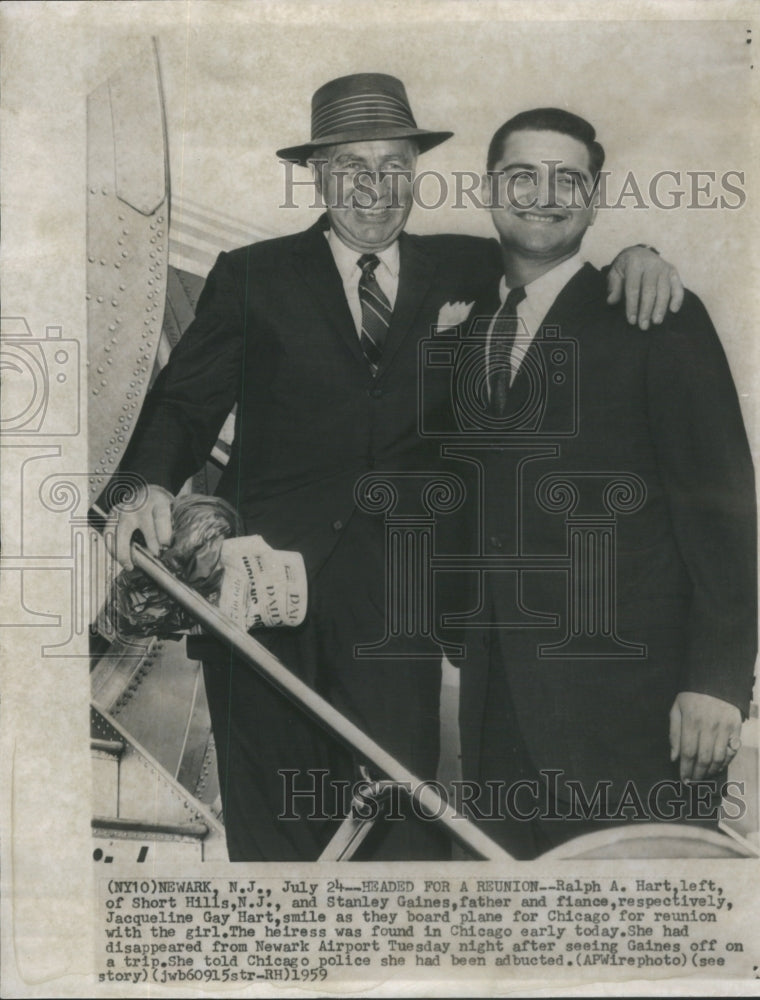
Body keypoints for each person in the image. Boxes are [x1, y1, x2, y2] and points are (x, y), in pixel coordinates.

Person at [102, 74, 684, 861]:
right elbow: (181, 409)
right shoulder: (252, 277)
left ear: (416, 170)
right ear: (316, 174)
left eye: (394, 167)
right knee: (275, 851)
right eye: (352, 168)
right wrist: (142, 489)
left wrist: (639, 259)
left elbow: (561, 273)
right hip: (257, 608)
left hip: (399, 616)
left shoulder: (469, 270)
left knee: (401, 842)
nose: (375, 190)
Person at [456, 108, 757, 859]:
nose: (543, 194)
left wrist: (717, 681)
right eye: (521, 175)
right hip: (497, 717)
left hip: (636, 718)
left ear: (593, 200)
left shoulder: (658, 317)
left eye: (569, 179)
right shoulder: (466, 335)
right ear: (489, 188)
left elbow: (719, 510)